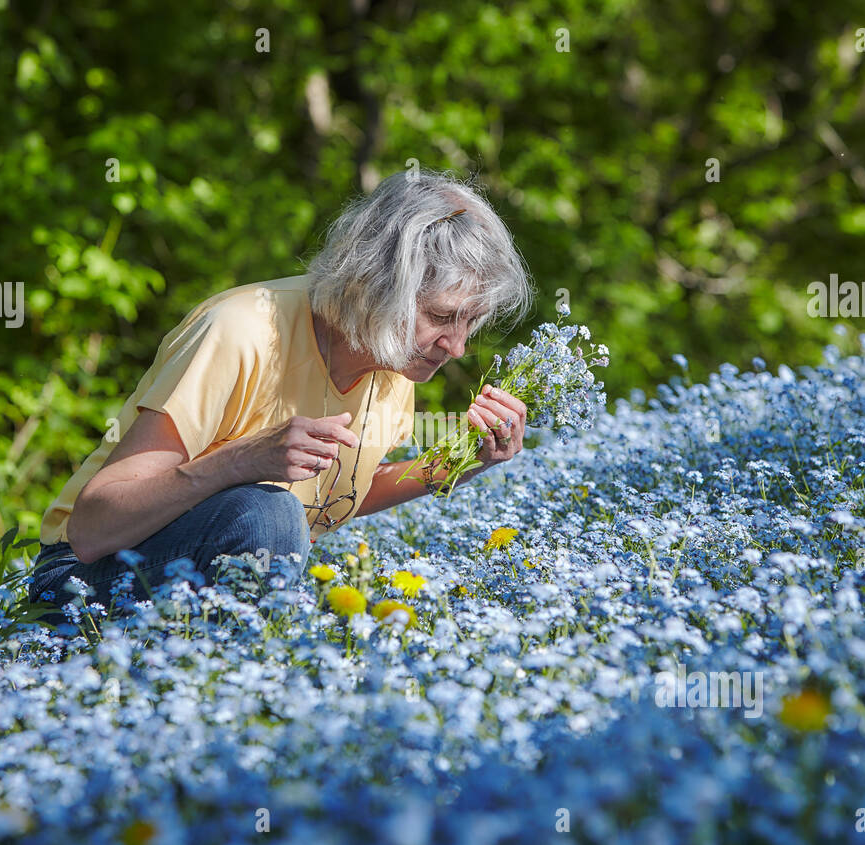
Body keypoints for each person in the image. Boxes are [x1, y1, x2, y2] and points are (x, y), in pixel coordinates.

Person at [27, 169, 535, 622]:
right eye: (442, 317)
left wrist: (456, 467)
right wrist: (238, 462)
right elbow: (92, 529)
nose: (458, 346)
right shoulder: (240, 331)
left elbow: (337, 495)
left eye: (471, 322)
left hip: (195, 588)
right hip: (80, 586)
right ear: (379, 285)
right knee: (267, 513)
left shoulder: (394, 364)